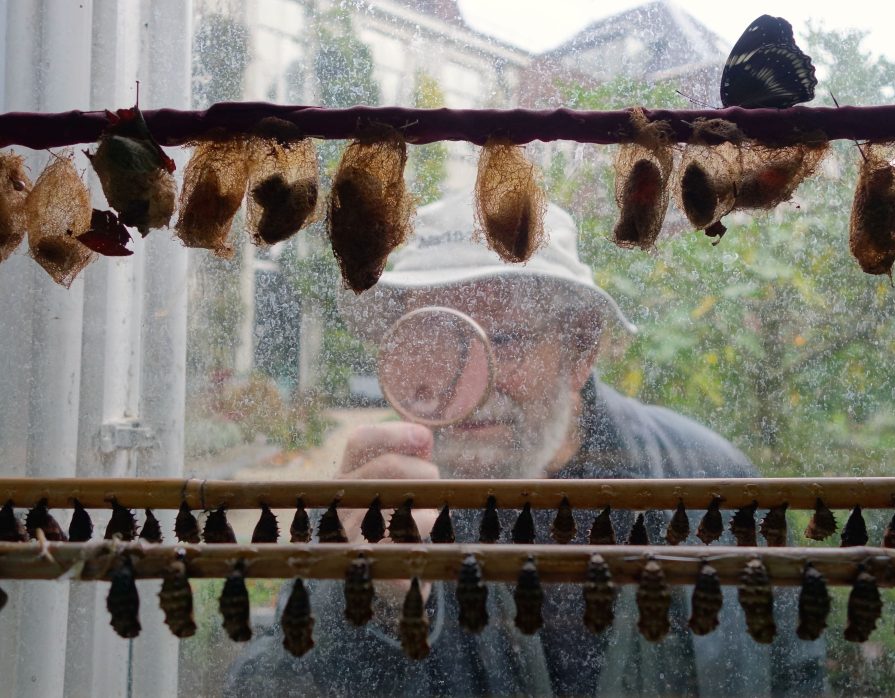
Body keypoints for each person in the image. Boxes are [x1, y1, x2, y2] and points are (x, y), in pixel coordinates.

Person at [224, 191, 825, 697]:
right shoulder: (377, 502)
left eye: (504, 340)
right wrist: (364, 606)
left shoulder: (708, 484)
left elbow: (795, 674)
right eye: (435, 339)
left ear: (581, 349)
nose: (470, 385)